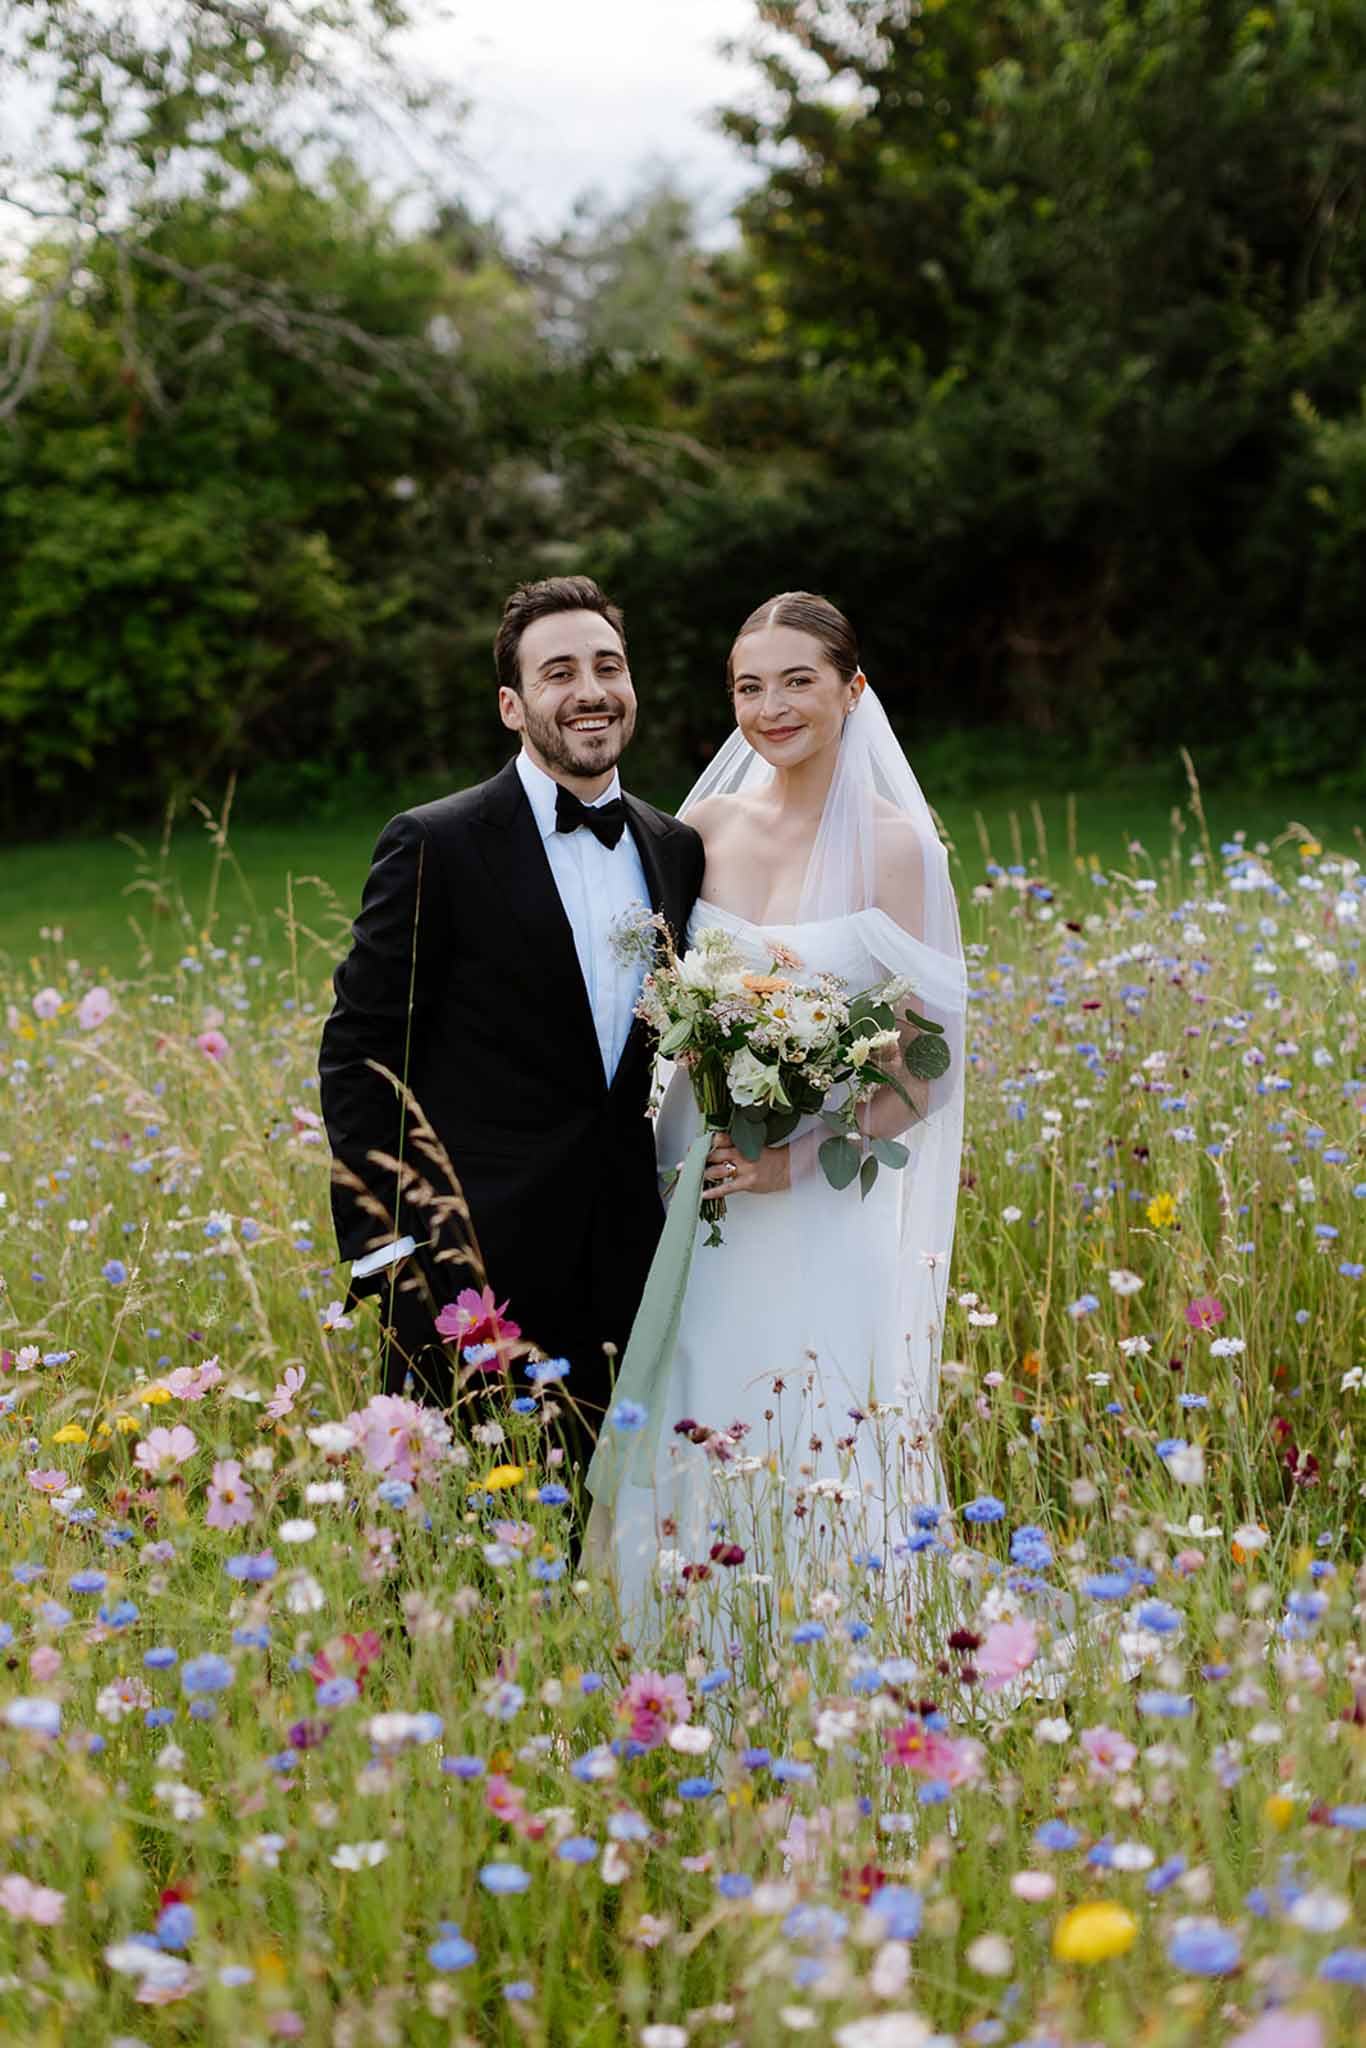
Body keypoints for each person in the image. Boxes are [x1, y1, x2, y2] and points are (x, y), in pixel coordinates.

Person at [589, 592, 967, 1627]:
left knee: (801, 1408)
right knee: (686, 1389)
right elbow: (654, 985)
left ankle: (822, 1651)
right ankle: (667, 1637)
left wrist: (795, 1157)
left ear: (852, 688)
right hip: (690, 1171)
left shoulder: (899, 850)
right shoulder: (702, 827)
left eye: (797, 679)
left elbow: (928, 1059)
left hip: (807, 1197)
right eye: (748, 686)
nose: (771, 706)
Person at [318, 575, 705, 1465]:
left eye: (608, 666)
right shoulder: (436, 843)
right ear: (511, 704)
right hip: (468, 1266)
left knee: (608, 1529)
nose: (590, 691)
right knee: (460, 1543)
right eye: (558, 672)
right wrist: (386, 1250)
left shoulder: (674, 848)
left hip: (628, 1260)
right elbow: (359, 1051)